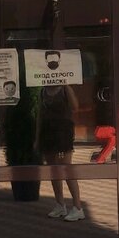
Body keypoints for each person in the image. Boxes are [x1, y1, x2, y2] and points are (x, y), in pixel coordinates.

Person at [39, 83, 84, 221]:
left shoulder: (65, 88)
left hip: (63, 131)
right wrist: (37, 137)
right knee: (53, 170)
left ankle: (77, 207)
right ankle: (60, 204)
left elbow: (75, 107)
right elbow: (40, 115)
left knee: (66, 168)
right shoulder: (43, 90)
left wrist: (66, 85)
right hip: (47, 131)